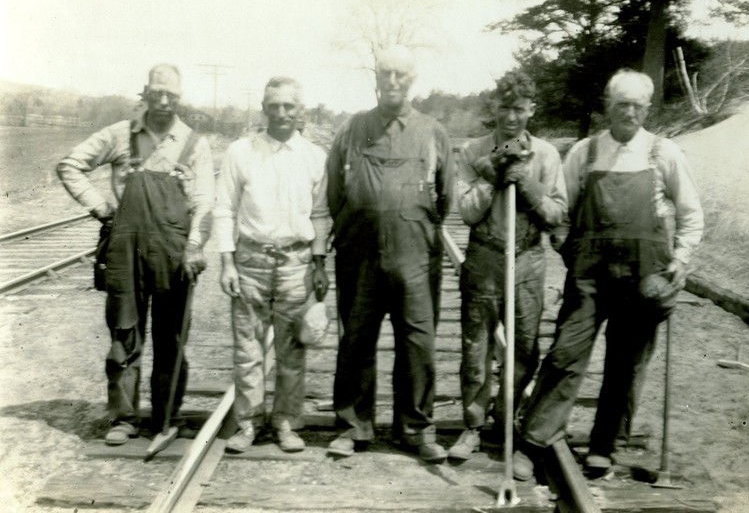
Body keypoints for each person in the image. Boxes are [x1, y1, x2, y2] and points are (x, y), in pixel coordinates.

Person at [514, 69, 704, 480]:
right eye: (622, 105)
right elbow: (561, 207)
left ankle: (604, 445)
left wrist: (680, 259)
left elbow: (691, 214)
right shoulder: (585, 152)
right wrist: (566, 245)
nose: (629, 113)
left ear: (647, 108)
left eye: (637, 105)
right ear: (608, 106)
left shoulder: (663, 153)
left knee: (626, 364)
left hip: (643, 276)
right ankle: (532, 444)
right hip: (589, 274)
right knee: (566, 354)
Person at [57, 64, 214, 445]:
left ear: (180, 98)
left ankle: (166, 415)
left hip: (173, 252)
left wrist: (195, 246)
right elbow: (70, 165)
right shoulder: (119, 135)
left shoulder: (193, 143)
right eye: (156, 93)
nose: (163, 102)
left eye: (171, 96)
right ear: (144, 93)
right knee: (124, 332)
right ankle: (124, 418)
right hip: (125, 249)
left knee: (171, 335)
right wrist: (102, 209)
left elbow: (205, 200)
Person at [325, 45, 455, 463]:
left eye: (400, 74)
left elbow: (447, 196)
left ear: (412, 81)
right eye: (386, 73)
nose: (393, 81)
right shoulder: (353, 128)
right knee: (356, 341)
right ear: (376, 79)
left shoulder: (433, 131)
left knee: (418, 342)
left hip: (415, 257)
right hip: (359, 255)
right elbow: (333, 190)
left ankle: (415, 429)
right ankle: (352, 426)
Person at [449, 71, 567, 461]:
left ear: (531, 110)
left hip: (528, 258)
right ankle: (472, 424)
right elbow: (465, 212)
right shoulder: (472, 151)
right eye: (504, 108)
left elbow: (555, 215)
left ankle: (506, 419)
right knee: (475, 348)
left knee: (524, 347)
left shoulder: (547, 155)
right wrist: (493, 176)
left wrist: (528, 186)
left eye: (519, 109)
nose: (511, 118)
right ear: (493, 108)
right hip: (485, 256)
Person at [215, 76, 330, 454]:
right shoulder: (240, 152)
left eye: (289, 107)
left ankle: (285, 423)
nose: (281, 114)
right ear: (264, 109)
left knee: (292, 351)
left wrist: (318, 264)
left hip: (296, 263)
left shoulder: (315, 157)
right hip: (251, 262)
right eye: (274, 106)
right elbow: (224, 209)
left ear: (301, 111)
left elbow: (320, 215)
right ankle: (247, 424)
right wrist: (227, 263)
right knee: (247, 350)